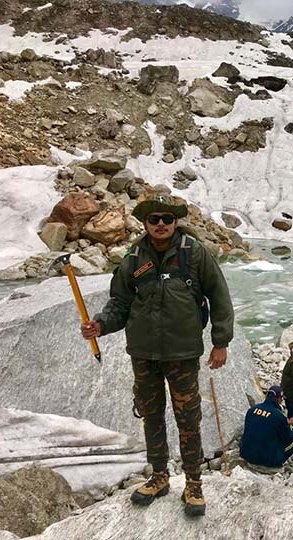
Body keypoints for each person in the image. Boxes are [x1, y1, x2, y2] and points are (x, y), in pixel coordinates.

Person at [80, 194, 234, 517]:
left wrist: (221, 342)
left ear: (175, 221)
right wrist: (100, 324)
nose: (161, 224)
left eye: (166, 218)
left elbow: (219, 295)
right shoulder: (133, 259)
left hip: (182, 354)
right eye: (154, 219)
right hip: (144, 353)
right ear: (146, 222)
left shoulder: (195, 254)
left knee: (188, 418)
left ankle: (193, 484)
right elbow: (119, 304)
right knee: (151, 415)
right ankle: (159, 476)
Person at [240, 386, 293, 468]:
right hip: (267, 460)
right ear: (278, 399)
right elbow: (288, 439)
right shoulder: (278, 416)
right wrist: (290, 426)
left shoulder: (252, 410)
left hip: (245, 454)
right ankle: (278, 461)